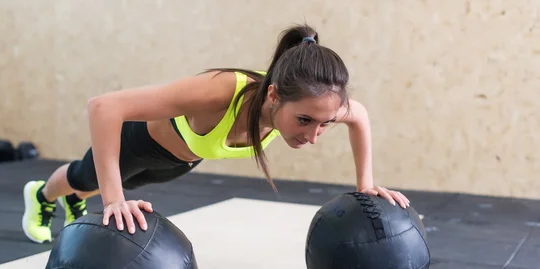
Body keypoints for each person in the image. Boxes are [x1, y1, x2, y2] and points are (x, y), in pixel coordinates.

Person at [21, 23, 410, 244]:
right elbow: (104, 107)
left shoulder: (317, 102)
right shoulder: (220, 91)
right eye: (305, 121)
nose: (314, 135)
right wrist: (113, 200)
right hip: (136, 143)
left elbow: (359, 117)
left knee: (107, 189)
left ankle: (79, 199)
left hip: (179, 162)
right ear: (273, 96)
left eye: (325, 124)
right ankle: (41, 194)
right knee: (84, 179)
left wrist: (366, 185)